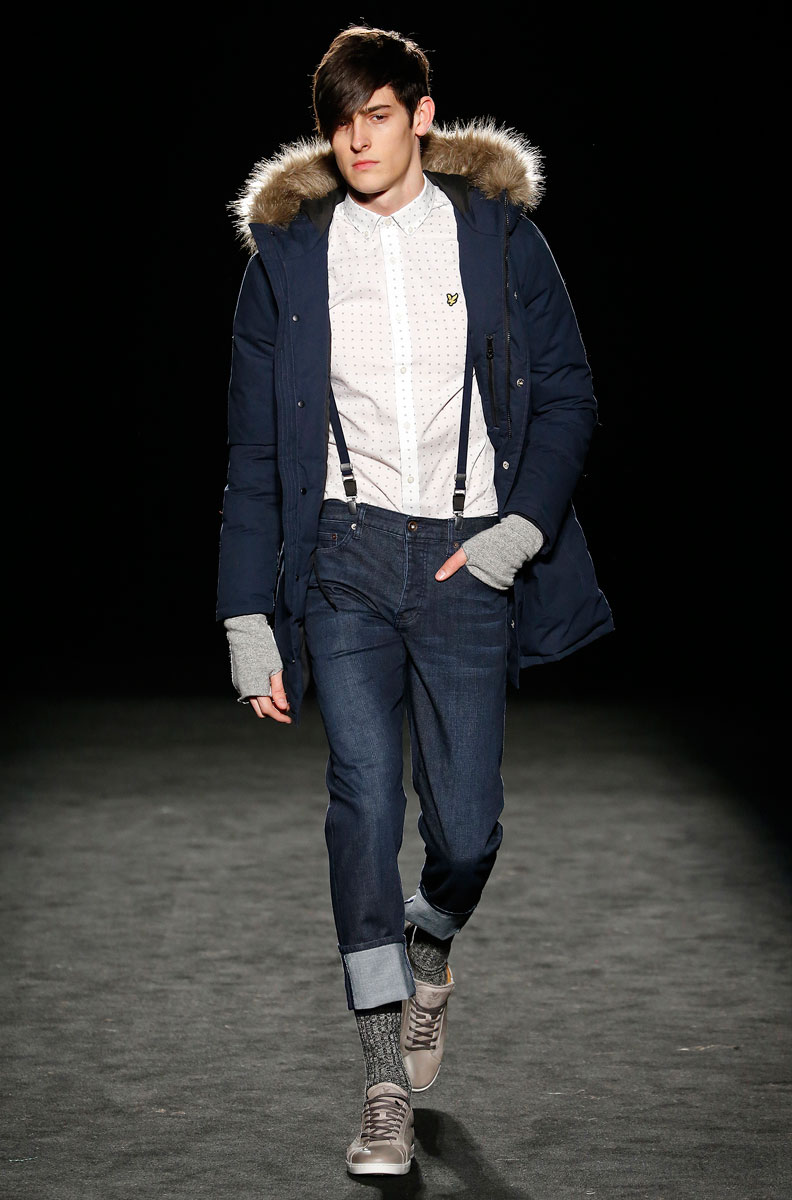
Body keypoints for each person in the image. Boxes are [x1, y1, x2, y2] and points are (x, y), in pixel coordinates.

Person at [217, 26, 612, 1177]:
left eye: (378, 114)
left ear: (421, 115)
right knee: (360, 801)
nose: (357, 139)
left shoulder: (495, 235)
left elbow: (568, 392)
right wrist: (246, 616)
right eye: (340, 121)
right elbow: (253, 452)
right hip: (341, 555)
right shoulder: (288, 260)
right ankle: (381, 1080)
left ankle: (430, 937)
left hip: (462, 556)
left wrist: (516, 531)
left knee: (467, 828)